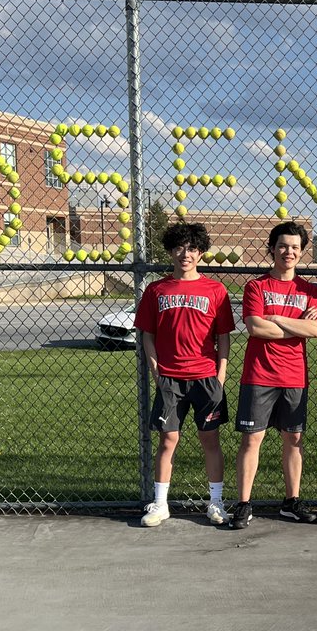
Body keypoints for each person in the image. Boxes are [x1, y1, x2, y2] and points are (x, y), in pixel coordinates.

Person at [134, 221, 235, 528]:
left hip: (206, 378)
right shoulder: (157, 289)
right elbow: (147, 335)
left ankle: (216, 502)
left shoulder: (215, 290)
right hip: (170, 378)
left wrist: (220, 376)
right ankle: (161, 504)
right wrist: (156, 372)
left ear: (201, 253)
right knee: (168, 440)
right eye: (179, 248)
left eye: (192, 248)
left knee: (210, 439)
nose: (185, 254)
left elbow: (224, 337)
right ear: (170, 251)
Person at [231, 221, 317, 529]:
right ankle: (243, 504)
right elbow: (255, 327)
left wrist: (277, 318)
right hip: (259, 375)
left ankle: (291, 501)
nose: (289, 252)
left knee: (294, 439)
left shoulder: (308, 290)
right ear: (271, 248)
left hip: (294, 376)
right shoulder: (256, 286)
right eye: (283, 246)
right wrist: (296, 326)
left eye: (295, 247)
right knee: (252, 439)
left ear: (301, 252)